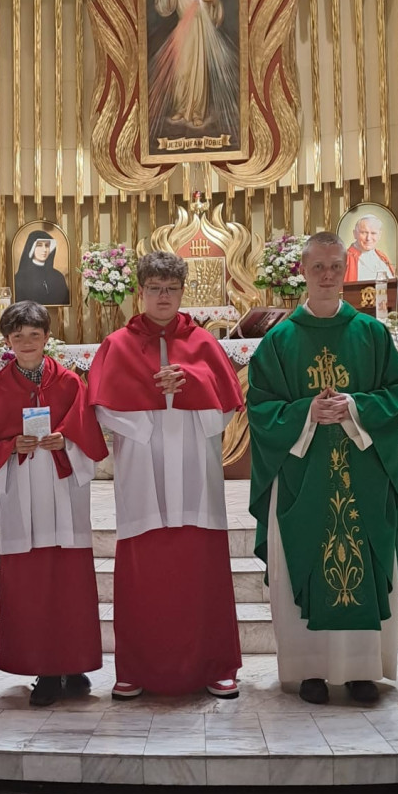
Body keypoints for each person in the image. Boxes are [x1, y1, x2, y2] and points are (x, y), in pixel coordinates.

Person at [247, 231, 398, 706]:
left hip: (363, 473)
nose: (326, 275)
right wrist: (307, 412)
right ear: (302, 271)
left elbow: (396, 393)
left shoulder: (372, 334)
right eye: (318, 267)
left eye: (335, 266)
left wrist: (354, 407)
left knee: (364, 559)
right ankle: (310, 672)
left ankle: (361, 671)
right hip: (302, 478)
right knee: (304, 559)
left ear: (346, 270)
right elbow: (260, 407)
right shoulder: (279, 340)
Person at [88, 250, 243, 699]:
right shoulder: (117, 344)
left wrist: (189, 386)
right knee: (143, 572)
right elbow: (101, 405)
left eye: (171, 289)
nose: (163, 297)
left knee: (202, 570)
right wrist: (149, 416)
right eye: (154, 288)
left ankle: (216, 666)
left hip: (195, 471)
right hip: (142, 469)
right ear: (140, 292)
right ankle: (136, 669)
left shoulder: (204, 343)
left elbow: (227, 406)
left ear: (182, 292)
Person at [0, 300, 108, 707]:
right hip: (23, 496)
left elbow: (90, 436)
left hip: (63, 492)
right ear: (7, 341)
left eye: (34, 335)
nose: (26, 342)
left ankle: (75, 664)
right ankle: (46, 670)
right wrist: (10, 446)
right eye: (18, 336)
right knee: (33, 586)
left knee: (71, 584)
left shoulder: (69, 383)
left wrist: (65, 440)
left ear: (47, 337)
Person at [149, 0, 239, 142]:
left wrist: (213, 0)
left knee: (198, 72)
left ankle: (197, 111)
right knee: (182, 71)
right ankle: (181, 109)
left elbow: (216, 7)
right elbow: (164, 6)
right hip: (184, 30)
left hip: (200, 32)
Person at [13, 230, 70, 305]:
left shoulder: (58, 276)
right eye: (39, 245)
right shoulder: (20, 277)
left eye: (47, 245)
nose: (44, 250)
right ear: (32, 248)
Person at [344, 215, 395, 282]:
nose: (368, 238)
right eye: (364, 232)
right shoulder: (345, 258)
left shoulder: (382, 257)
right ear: (355, 234)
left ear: (379, 235)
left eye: (373, 233)